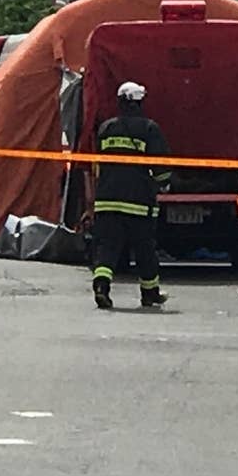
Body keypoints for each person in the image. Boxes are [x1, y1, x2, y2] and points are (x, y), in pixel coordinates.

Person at [90, 81, 171, 310]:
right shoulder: (149, 129)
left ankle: (101, 286)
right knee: (145, 249)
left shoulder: (106, 128)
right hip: (138, 203)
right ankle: (149, 293)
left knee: (107, 247)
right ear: (138, 102)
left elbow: (98, 163)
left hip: (106, 200)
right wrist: (162, 185)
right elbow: (161, 167)